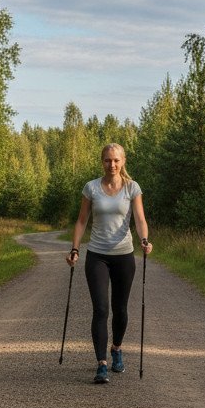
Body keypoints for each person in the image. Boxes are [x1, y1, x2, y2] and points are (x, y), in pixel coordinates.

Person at [67, 143, 152, 384]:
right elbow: (82, 221)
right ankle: (101, 363)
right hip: (97, 255)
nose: (111, 165)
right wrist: (74, 248)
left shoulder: (132, 188)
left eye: (116, 160)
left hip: (124, 256)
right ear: (102, 162)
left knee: (120, 309)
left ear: (123, 161)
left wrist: (145, 241)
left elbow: (140, 219)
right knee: (101, 309)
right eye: (107, 160)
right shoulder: (91, 188)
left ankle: (116, 348)